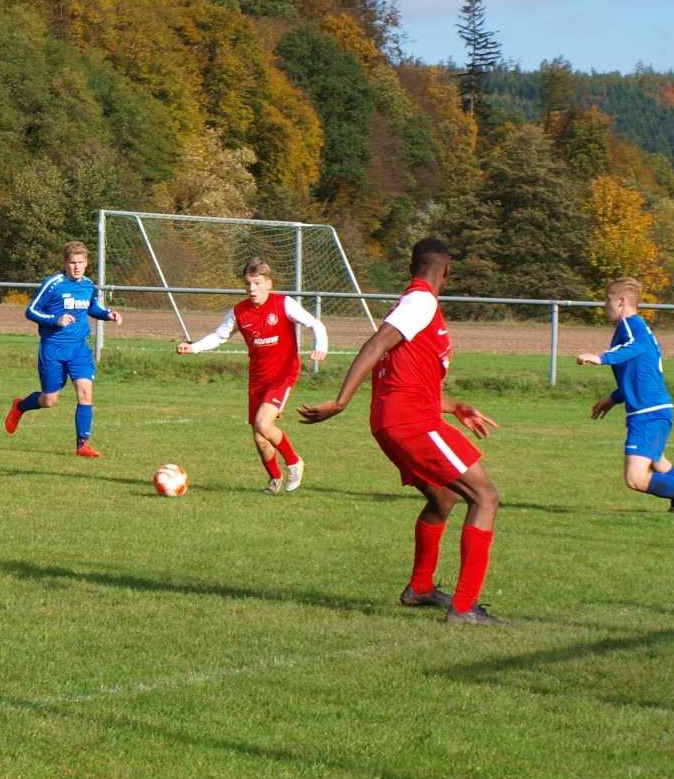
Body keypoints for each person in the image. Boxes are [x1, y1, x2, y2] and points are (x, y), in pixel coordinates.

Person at [298, 238, 504, 625]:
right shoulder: (421, 301)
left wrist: (454, 406)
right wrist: (340, 402)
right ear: (447, 271)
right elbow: (374, 345)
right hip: (412, 423)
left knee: (443, 497)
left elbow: (404, 379)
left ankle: (420, 588)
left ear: (412, 267)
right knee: (485, 497)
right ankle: (464, 608)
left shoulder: (413, 305)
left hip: (395, 420)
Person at [177, 256, 329, 493]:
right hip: (258, 378)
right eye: (248, 283)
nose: (252, 288)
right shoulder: (239, 312)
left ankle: (293, 461)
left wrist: (321, 346)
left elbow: (315, 324)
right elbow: (219, 336)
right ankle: (275, 478)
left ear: (269, 283)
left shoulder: (284, 304)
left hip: (283, 373)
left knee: (263, 423)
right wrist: (194, 347)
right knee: (260, 438)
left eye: (257, 283)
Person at [577, 277, 674, 517]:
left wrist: (601, 358)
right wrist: (613, 398)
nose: (605, 305)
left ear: (621, 301)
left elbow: (637, 346)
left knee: (635, 478)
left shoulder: (632, 327)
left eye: (608, 299)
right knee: (657, 461)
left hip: (649, 413)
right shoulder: (636, 327)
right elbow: (639, 374)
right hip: (654, 409)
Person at [5, 240, 121, 457]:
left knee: (85, 392)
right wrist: (54, 319)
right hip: (53, 349)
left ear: (86, 263)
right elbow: (31, 311)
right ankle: (20, 406)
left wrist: (108, 314)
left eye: (80, 262)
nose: (77, 267)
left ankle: (82, 445)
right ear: (65, 263)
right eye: (72, 263)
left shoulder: (88, 285)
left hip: (79, 349)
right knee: (49, 400)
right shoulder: (53, 284)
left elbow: (92, 308)